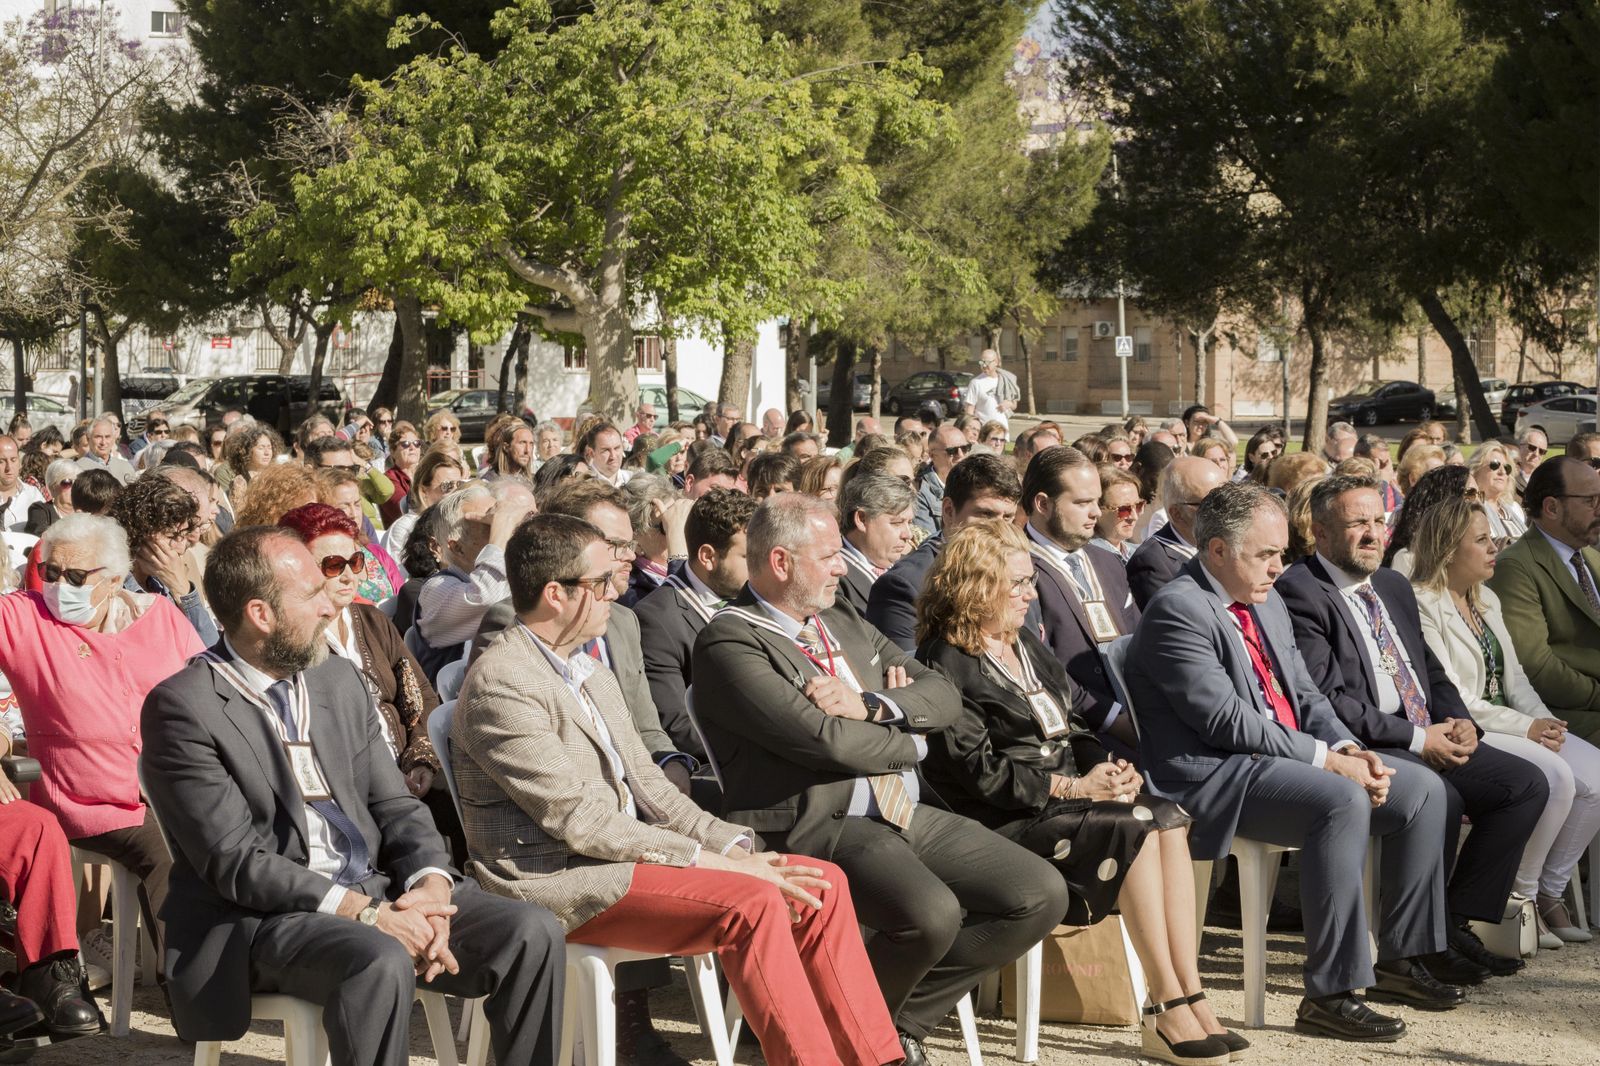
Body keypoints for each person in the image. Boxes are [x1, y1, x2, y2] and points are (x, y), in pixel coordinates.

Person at [452, 513, 899, 1066]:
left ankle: (878, 1059)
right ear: (555, 595)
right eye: (601, 583)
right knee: (755, 900)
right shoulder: (503, 684)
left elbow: (651, 789)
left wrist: (740, 848)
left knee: (819, 881)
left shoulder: (586, 670)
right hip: (554, 879)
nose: (618, 589)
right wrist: (721, 867)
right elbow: (579, 822)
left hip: (617, 861)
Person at [138, 527, 564, 1065]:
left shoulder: (334, 678)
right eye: (312, 593)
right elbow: (236, 863)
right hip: (262, 920)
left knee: (530, 931)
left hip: (376, 892)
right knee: (378, 957)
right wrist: (368, 915)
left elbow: (395, 805)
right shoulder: (185, 707)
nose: (330, 605)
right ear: (260, 614)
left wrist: (429, 884)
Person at [692, 494, 1067, 1062]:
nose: (844, 566)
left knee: (1038, 893)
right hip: (817, 819)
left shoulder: (837, 617)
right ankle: (851, 1036)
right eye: (829, 555)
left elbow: (942, 692)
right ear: (780, 562)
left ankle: (888, 1024)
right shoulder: (731, 641)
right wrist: (911, 741)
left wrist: (873, 705)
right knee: (930, 914)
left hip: (897, 807)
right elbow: (824, 742)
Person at [1130, 482, 1458, 1040]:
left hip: (1278, 761)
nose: (1281, 566)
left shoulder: (1266, 596)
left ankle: (1402, 960)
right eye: (1266, 554)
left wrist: (1351, 749)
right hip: (1212, 775)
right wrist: (1328, 761)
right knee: (1339, 799)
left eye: (1282, 551)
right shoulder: (1178, 610)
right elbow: (1226, 723)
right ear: (1217, 552)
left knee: (1422, 789)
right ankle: (1330, 994)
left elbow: (1306, 696)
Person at [916, 519, 1238, 1066]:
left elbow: (1074, 728)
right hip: (1004, 817)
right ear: (975, 586)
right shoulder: (945, 662)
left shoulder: (1023, 646)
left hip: (1069, 799)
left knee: (1168, 817)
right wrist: (1072, 786)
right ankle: (1164, 1008)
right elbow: (981, 773)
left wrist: (1109, 770)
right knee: (1134, 825)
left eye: (1028, 582)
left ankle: (1190, 990)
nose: (1029, 594)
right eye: (1015, 584)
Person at [1276, 474, 1549, 981]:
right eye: (1357, 523)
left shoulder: (1390, 584)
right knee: (1438, 793)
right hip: (1368, 742)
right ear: (1320, 531)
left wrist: (1460, 722)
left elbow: (1427, 667)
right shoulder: (1300, 592)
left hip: (1427, 729)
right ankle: (1412, 948)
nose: (1372, 534)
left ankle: (1450, 921)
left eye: (1378, 521)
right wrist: (1420, 740)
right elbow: (1329, 700)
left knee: (1526, 785)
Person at [0, 514, 205, 973]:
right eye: (51, 572)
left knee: (239, 834)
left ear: (114, 580)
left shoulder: (158, 616)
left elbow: (207, 689)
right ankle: (194, 994)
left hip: (172, 785)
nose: (58, 586)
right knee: (167, 852)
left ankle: (245, 963)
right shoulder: (24, 617)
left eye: (75, 577)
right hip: (87, 796)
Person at [1408, 496, 1600, 944]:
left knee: (1595, 776)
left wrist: (1544, 721)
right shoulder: (1424, 604)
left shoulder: (1487, 600)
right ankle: (1521, 899)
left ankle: (1551, 891)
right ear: (1448, 549)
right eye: (1481, 540)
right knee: (1555, 778)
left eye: (1493, 536)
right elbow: (1453, 694)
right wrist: (1525, 728)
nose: (1495, 546)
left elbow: (1516, 677)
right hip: (1475, 727)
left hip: (1516, 721)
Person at [1020, 447, 1141, 754]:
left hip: (1141, 712)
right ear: (1043, 504)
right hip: (1079, 731)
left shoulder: (1106, 560)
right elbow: (1038, 669)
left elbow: (1140, 638)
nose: (1097, 513)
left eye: (1097, 501)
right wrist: (1113, 719)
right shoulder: (1016, 569)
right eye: (1082, 503)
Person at [636, 489, 757, 761]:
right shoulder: (658, 619)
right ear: (707, 556)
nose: (760, 567)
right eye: (748, 557)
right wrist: (761, 755)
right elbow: (679, 726)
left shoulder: (757, 596)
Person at [1487, 456, 1600, 746]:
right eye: (1591, 501)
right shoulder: (1516, 567)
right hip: (1566, 715)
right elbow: (1535, 667)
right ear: (1552, 507)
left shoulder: (1591, 557)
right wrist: (1596, 695)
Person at [868, 454, 1023, 651]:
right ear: (949, 510)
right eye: (986, 515)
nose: (1000, 529)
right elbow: (910, 672)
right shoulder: (906, 586)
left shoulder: (1021, 575)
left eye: (1008, 517)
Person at [416, 480, 537, 653]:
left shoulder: (511, 572)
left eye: (499, 520)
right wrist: (500, 532)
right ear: (457, 547)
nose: (505, 530)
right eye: (489, 526)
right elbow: (488, 599)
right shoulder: (435, 589)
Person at [110, 472, 218, 644]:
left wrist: (183, 591)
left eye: (183, 536)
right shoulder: (113, 591)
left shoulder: (161, 584)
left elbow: (210, 644)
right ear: (141, 534)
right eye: (172, 536)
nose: (181, 547)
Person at [1127, 456, 1227, 610]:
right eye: (1212, 503)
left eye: (1228, 499)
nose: (1225, 510)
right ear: (1177, 514)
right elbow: (1181, 623)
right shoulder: (1152, 563)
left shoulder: (1230, 543)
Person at [837, 474, 916, 615]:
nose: (908, 534)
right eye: (897, 523)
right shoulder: (834, 578)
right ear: (862, 519)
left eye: (909, 523)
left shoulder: (911, 568)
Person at [383, 447, 467, 565]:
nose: (455, 493)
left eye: (459, 485)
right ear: (423, 491)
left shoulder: (458, 524)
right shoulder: (405, 530)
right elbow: (400, 580)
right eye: (447, 486)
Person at [1384, 465, 1475, 572]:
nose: (1478, 502)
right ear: (1446, 502)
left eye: (1480, 494)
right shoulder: (1409, 560)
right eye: (1471, 494)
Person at [619, 472, 690, 607]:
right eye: (666, 525)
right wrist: (678, 558)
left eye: (678, 520)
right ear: (635, 536)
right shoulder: (630, 592)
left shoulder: (696, 563)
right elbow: (679, 610)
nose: (678, 531)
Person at [912, 426, 969, 535]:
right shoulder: (920, 492)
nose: (961, 455)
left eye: (965, 448)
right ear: (932, 455)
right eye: (952, 451)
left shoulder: (976, 483)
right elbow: (927, 541)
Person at [1468, 442, 1526, 547]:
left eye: (1507, 468)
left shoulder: (1515, 508)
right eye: (1495, 465)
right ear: (1475, 469)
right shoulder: (1469, 506)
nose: (1502, 472)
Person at [221, 422, 283, 509]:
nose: (267, 452)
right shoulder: (240, 483)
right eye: (261, 448)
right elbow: (238, 514)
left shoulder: (277, 476)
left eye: (269, 447)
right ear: (247, 451)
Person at [1092, 464, 1143, 561]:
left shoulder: (1141, 553)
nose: (1134, 517)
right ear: (1097, 509)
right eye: (1123, 509)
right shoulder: (1085, 560)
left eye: (1138, 506)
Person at [962, 349, 1016, 432]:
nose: (984, 365)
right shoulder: (976, 383)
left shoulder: (1006, 380)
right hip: (984, 433)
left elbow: (1014, 405)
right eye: (981, 362)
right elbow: (969, 412)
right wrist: (971, 431)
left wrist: (1009, 404)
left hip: (1002, 433)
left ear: (996, 362)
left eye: (987, 362)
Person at [381, 420, 423, 525]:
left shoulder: (425, 474)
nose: (412, 448)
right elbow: (403, 511)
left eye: (417, 443)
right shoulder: (389, 479)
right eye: (405, 444)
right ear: (393, 451)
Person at [24, 458, 79, 536]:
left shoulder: (87, 510)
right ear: (53, 487)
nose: (74, 487)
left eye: (78, 482)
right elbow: (41, 537)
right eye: (67, 483)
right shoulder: (40, 509)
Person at [0, 436, 43, 533]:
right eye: (1, 461)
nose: (9, 467)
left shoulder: (33, 494)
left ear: (19, 462)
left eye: (13, 460)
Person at [1354, 435, 1402, 515]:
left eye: (1386, 463)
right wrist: (1382, 483)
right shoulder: (1354, 486)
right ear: (1359, 458)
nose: (1383, 469)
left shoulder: (1392, 484)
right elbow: (1378, 513)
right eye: (1378, 462)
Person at [75, 418, 135, 483]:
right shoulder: (77, 469)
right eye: (98, 437)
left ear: (113, 439)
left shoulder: (125, 467)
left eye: (107, 437)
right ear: (88, 438)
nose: (103, 442)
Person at [1513, 427, 1548, 501]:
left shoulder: (1547, 479)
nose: (1536, 454)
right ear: (1520, 446)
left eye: (1542, 451)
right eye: (1532, 448)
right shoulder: (1508, 474)